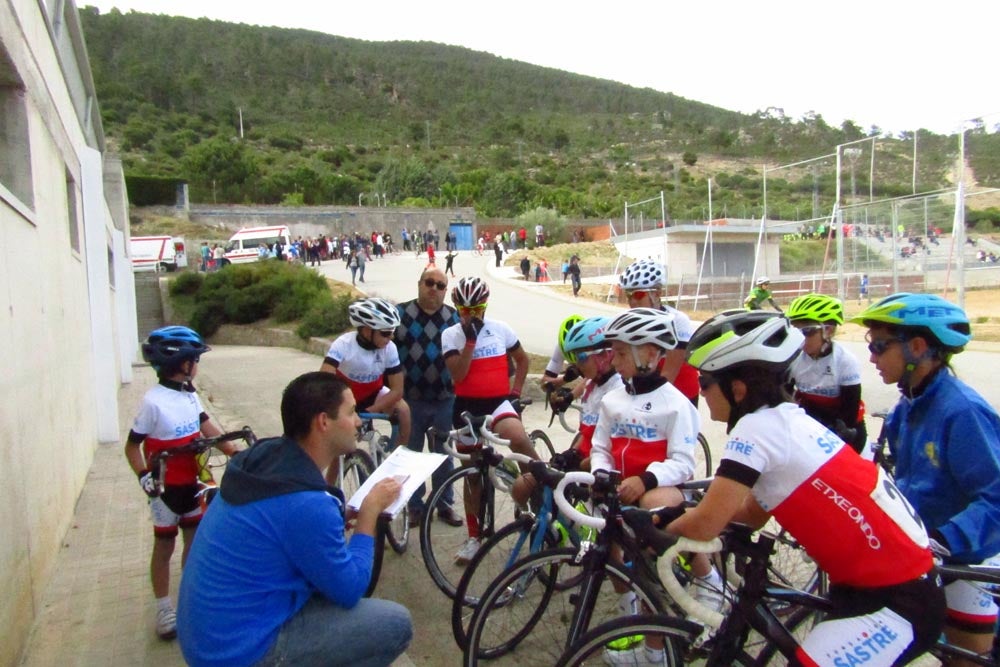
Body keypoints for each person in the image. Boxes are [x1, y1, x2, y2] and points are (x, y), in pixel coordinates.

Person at [666, 310, 944, 667]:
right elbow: (752, 513)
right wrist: (684, 514)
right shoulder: (787, 419)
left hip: (898, 597)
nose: (701, 393)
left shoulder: (755, 429)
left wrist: (656, 526)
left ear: (738, 389)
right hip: (879, 584)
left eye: (705, 383)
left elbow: (706, 525)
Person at [176, 372, 412, 667]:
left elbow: (282, 524)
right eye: (351, 412)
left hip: (208, 639)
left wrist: (338, 515)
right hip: (238, 653)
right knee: (394, 623)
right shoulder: (307, 503)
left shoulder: (267, 461)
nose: (358, 422)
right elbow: (353, 589)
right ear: (323, 422)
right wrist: (369, 514)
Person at [853, 293, 1000, 664]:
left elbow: (996, 498)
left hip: (966, 561)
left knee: (965, 660)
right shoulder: (907, 406)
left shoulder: (961, 411)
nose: (871, 357)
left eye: (879, 345)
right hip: (922, 557)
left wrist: (942, 539)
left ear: (917, 347)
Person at [591, 308, 716, 665]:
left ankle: (707, 583)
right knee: (609, 547)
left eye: (619, 353)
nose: (613, 361)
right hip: (620, 491)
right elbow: (601, 448)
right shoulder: (612, 399)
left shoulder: (675, 403)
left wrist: (645, 479)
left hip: (657, 493)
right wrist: (602, 473)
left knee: (650, 561)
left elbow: (683, 461)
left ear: (648, 354)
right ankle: (630, 617)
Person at [125, 326, 240, 640]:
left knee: (194, 540)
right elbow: (131, 446)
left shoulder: (190, 395)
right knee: (164, 546)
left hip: (194, 480)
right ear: (181, 363)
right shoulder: (153, 402)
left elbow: (207, 427)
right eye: (195, 359)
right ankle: (164, 608)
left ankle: (191, 599)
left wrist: (234, 450)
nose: (198, 365)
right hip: (165, 489)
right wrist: (143, 477)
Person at [441, 276, 539, 564]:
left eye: (477, 309)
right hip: (466, 408)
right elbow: (458, 375)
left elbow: (522, 360)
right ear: (457, 308)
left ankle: (540, 488)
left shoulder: (501, 329)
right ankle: (474, 536)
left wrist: (516, 392)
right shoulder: (451, 335)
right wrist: (470, 341)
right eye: (464, 310)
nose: (471, 315)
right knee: (472, 475)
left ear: (485, 307)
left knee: (519, 438)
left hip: (498, 403)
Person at [395, 268, 464, 529]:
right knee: (410, 455)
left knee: (444, 454)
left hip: (445, 399)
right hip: (410, 400)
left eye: (440, 285)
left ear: (445, 291)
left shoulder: (453, 318)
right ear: (419, 284)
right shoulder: (400, 315)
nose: (433, 289)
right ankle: (415, 506)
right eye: (429, 283)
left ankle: (444, 504)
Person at [319, 298, 411, 485]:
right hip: (344, 397)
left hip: (373, 394)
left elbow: (397, 390)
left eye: (393, 332)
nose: (391, 337)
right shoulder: (344, 344)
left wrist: (371, 411)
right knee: (340, 451)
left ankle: (396, 461)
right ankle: (329, 490)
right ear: (367, 330)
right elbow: (324, 379)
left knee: (404, 411)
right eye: (385, 333)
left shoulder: (389, 348)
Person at [785, 293, 867, 453]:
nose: (800, 338)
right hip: (811, 423)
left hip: (845, 427)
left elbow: (849, 415)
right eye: (794, 331)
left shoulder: (845, 361)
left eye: (807, 331)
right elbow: (784, 399)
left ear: (828, 330)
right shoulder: (793, 358)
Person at [618, 259, 700, 405]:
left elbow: (669, 374)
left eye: (638, 295)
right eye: (629, 295)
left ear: (657, 294)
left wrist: (644, 404)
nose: (633, 301)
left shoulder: (677, 320)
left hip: (681, 390)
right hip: (651, 386)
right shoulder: (631, 321)